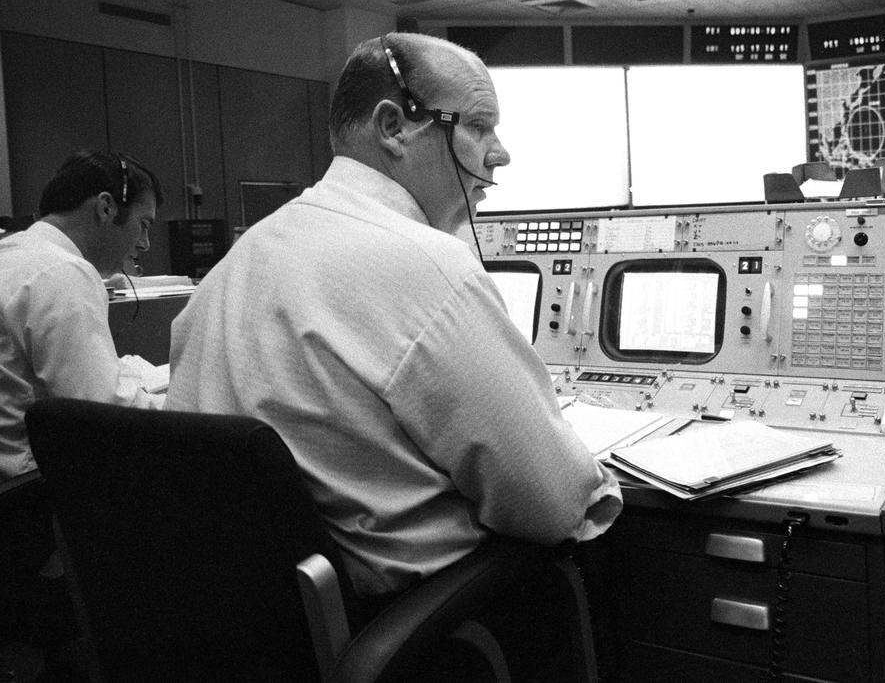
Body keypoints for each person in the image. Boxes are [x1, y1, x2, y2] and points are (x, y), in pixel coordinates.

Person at [167, 33, 622, 601]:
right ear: (393, 127)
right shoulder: (433, 267)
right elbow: (554, 505)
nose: (500, 154)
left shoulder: (231, 268)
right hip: (422, 628)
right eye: (478, 126)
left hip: (257, 629)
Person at [0, 151, 165, 481]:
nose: (145, 244)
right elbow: (105, 413)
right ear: (106, 208)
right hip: (30, 491)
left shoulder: (14, 254)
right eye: (143, 225)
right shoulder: (62, 271)